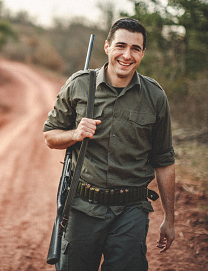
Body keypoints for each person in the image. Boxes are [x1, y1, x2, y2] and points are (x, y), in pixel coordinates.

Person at [43, 18, 175, 271]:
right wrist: (75, 134)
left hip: (131, 210)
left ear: (142, 53)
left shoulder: (155, 96)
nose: (127, 55)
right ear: (107, 47)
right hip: (82, 206)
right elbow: (50, 136)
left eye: (135, 49)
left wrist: (169, 218)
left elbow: (164, 160)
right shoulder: (80, 84)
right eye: (121, 46)